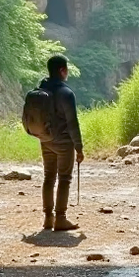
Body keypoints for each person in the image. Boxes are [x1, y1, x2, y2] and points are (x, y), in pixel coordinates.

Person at [37, 54, 84, 232]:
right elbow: (73, 123)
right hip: (63, 142)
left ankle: (48, 218)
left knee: (49, 177)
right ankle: (61, 218)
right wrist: (79, 147)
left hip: (46, 139)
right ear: (62, 70)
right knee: (64, 178)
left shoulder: (42, 88)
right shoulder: (66, 93)